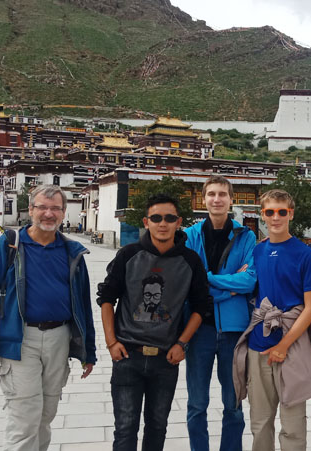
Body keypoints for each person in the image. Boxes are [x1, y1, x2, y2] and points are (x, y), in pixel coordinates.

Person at [0, 184, 97, 451]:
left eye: (55, 208)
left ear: (64, 213)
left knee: (45, 415)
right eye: (42, 207)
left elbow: (83, 305)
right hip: (20, 340)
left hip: (59, 339)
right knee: (24, 419)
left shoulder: (73, 252)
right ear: (30, 210)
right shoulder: (8, 245)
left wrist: (89, 351)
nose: (49, 214)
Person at [97, 193, 211, 451]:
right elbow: (106, 298)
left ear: (178, 222)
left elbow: (201, 307)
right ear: (146, 222)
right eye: (156, 218)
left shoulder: (190, 261)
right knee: (125, 428)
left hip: (165, 359)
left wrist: (182, 343)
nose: (163, 223)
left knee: (158, 427)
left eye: (169, 218)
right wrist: (111, 341)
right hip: (128, 356)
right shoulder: (128, 254)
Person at [233, 189, 311, 451]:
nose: (276, 217)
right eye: (270, 212)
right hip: (259, 345)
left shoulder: (304, 254)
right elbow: (247, 285)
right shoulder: (258, 252)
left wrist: (284, 345)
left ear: (290, 214)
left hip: (292, 345)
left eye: (282, 212)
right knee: (260, 422)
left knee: (293, 424)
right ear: (262, 215)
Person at [184, 176, 257, 451]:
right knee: (196, 404)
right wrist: (229, 288)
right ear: (203, 199)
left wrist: (207, 279)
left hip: (234, 332)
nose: (217, 199)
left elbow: (250, 280)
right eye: (211, 194)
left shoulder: (245, 236)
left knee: (234, 404)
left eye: (222, 194)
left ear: (231, 199)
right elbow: (189, 282)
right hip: (199, 328)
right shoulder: (191, 236)